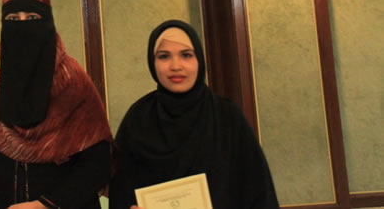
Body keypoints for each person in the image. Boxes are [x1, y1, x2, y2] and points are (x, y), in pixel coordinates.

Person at [0, 0, 113, 209]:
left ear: (47, 23)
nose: (23, 26)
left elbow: (98, 165)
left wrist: (45, 205)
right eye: (13, 19)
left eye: (32, 18)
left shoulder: (74, 83)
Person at [109, 19, 279, 209]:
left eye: (186, 55)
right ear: (152, 62)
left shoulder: (227, 117)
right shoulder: (138, 119)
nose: (176, 66)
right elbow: (120, 193)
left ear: (200, 60)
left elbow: (259, 193)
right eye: (164, 56)